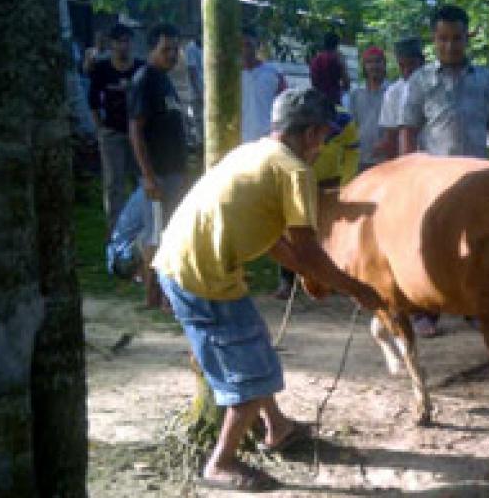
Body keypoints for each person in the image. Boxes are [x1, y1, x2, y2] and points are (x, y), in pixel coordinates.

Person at [153, 88, 381, 491]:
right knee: (253, 373)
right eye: (325, 136)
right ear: (311, 134)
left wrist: (320, 277)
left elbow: (277, 241)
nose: (324, 145)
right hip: (202, 276)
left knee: (251, 348)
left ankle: (277, 428)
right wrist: (356, 288)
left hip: (187, 264)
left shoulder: (254, 152)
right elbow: (308, 251)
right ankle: (220, 463)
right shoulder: (294, 171)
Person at [400, 4, 489, 337]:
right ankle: (426, 310)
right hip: (434, 179)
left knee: (476, 244)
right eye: (443, 38)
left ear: (467, 37)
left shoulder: (484, 78)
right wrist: (406, 172)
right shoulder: (420, 80)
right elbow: (408, 127)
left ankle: (473, 307)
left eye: (457, 38)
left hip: (476, 176)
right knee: (432, 243)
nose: (450, 46)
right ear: (434, 39)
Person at [128, 23, 189, 310]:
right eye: (166, 49)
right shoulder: (145, 79)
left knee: (169, 232)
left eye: (175, 50)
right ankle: (154, 296)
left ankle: (164, 295)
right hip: (158, 174)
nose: (172, 55)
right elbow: (136, 130)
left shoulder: (165, 81)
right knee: (157, 234)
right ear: (151, 49)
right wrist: (148, 176)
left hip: (174, 171)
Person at [273, 104, 359, 300]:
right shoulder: (295, 115)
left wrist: (346, 183)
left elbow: (352, 151)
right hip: (300, 178)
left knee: (330, 231)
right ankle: (289, 279)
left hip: (330, 181)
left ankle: (331, 278)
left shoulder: (345, 120)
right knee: (292, 229)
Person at [88, 23, 144, 232]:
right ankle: (115, 231)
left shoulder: (140, 68)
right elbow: (93, 100)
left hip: (138, 133)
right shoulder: (102, 69)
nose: (124, 45)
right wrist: (100, 128)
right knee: (114, 184)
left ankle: (141, 228)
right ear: (111, 44)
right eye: (119, 41)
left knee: (141, 180)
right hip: (112, 133)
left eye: (127, 41)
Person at [376, 36, 424, 158]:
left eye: (412, 64)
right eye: (402, 66)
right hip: (406, 160)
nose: (407, 70)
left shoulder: (436, 86)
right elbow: (390, 138)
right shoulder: (393, 93)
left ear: (422, 62)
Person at [346, 46, 389, 170]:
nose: (374, 66)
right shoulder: (356, 94)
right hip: (361, 158)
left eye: (377, 61)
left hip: (386, 159)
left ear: (384, 64)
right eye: (369, 62)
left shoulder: (392, 92)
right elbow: (352, 125)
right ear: (364, 66)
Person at [241, 27, 287, 143]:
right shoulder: (230, 77)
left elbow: (285, 105)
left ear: (257, 45)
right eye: (241, 45)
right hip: (239, 140)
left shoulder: (274, 73)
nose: (245, 50)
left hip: (268, 139)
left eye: (248, 45)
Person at [309, 31, 350, 105]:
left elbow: (313, 81)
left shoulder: (315, 59)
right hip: (333, 100)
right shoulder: (338, 58)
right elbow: (346, 83)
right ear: (337, 45)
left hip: (317, 101)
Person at [184, 31, 204, 149]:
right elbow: (192, 72)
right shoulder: (191, 49)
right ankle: (200, 144)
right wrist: (200, 92)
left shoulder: (205, 48)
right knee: (198, 119)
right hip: (196, 93)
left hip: (206, 91)